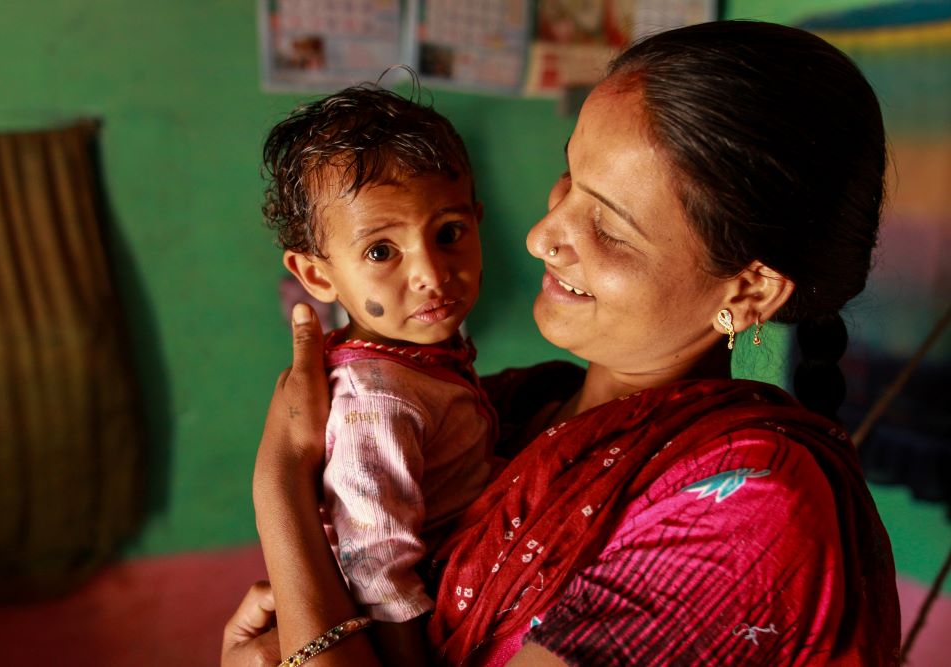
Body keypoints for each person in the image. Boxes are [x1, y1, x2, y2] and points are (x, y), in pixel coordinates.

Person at [233, 20, 901, 667]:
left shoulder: (748, 508)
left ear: (749, 291)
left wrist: (280, 487)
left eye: (608, 225)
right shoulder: (515, 409)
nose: (542, 234)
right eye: (569, 178)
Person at [259, 84, 496, 664]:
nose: (431, 274)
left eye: (448, 233)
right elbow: (374, 564)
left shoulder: (424, 357)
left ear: (476, 220)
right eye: (381, 252)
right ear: (317, 276)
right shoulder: (379, 398)